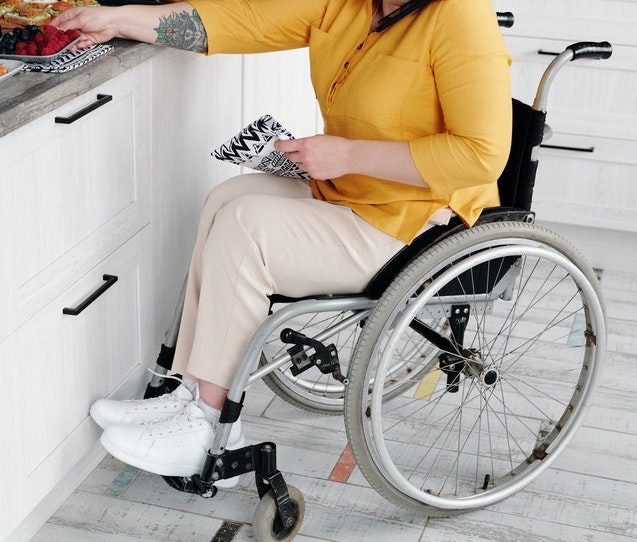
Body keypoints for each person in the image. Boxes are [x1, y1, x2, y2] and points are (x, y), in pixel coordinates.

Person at [52, 0, 512, 484]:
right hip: (355, 193)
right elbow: (243, 19)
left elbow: (482, 156)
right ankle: (191, 393)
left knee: (247, 226)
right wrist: (117, 19)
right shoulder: (347, 4)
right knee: (226, 200)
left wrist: (348, 154)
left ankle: (211, 426)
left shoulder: (458, 14)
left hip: (415, 223)